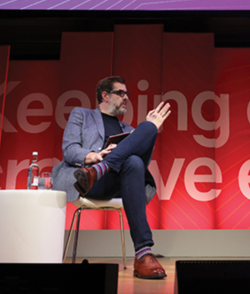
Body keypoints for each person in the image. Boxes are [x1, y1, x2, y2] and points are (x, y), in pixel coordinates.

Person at [52, 76, 172, 279]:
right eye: (121, 93)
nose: (126, 98)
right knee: (133, 159)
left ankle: (100, 169)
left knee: (142, 139)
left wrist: (151, 131)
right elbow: (70, 151)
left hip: (110, 182)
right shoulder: (82, 115)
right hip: (84, 181)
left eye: (127, 94)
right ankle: (143, 253)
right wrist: (96, 156)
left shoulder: (128, 130)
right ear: (105, 95)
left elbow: (143, 165)